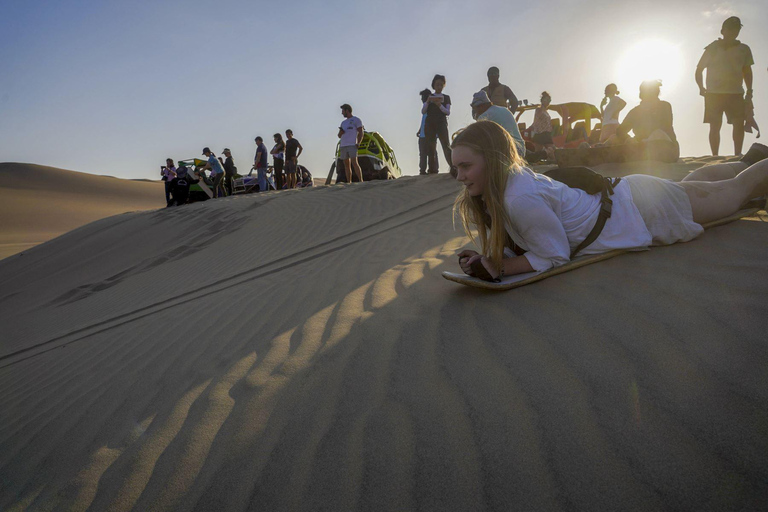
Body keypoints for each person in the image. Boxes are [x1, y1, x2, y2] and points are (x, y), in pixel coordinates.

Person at [451, 121, 768, 280]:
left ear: (492, 160)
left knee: (737, 192)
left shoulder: (520, 197)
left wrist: (502, 267)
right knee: (695, 188)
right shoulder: (510, 184)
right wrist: (487, 256)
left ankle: (754, 166)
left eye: (466, 166)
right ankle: (751, 159)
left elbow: (555, 256)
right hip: (635, 198)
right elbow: (528, 237)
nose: (460, 176)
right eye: (457, 168)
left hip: (643, 209)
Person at [696, 16, 754, 156]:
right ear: (723, 30)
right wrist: (701, 87)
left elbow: (747, 71)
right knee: (715, 125)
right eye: (731, 28)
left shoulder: (744, 49)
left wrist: (749, 91)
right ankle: (715, 155)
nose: (734, 31)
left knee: (739, 123)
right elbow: (699, 69)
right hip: (714, 93)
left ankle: (737, 154)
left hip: (735, 92)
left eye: (737, 29)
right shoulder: (712, 48)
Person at [470, 90, 525, 157]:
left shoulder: (484, 116)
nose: (476, 111)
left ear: (481, 106)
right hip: (521, 149)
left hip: (510, 153)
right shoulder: (504, 109)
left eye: (475, 108)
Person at [422, 74, 452, 174]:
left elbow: (447, 112)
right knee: (431, 146)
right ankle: (432, 170)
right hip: (430, 122)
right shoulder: (429, 97)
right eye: (437, 84)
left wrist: (439, 105)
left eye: (441, 84)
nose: (439, 87)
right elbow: (423, 111)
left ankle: (453, 166)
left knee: (446, 144)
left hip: (441, 122)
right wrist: (428, 101)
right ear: (433, 85)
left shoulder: (446, 97)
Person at [337, 103, 364, 183]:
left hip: (352, 144)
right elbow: (339, 135)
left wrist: (358, 142)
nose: (342, 113)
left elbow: (361, 132)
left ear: (347, 110)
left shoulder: (356, 120)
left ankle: (361, 180)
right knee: (346, 165)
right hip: (343, 145)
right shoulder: (343, 123)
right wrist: (341, 132)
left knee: (354, 162)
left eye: (343, 111)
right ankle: (349, 181)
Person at [417, 89, 437, 175]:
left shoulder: (432, 107)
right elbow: (424, 120)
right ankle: (422, 170)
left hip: (431, 134)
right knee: (423, 154)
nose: (422, 99)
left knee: (431, 153)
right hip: (422, 135)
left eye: (423, 98)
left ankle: (432, 170)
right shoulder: (425, 107)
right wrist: (419, 130)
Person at [531, 91, 556, 161]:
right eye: (547, 100)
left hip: (546, 133)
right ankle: (534, 163)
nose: (548, 102)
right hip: (540, 133)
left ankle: (554, 162)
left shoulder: (546, 112)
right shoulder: (539, 109)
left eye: (549, 100)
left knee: (551, 149)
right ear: (542, 100)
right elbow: (536, 121)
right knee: (538, 152)